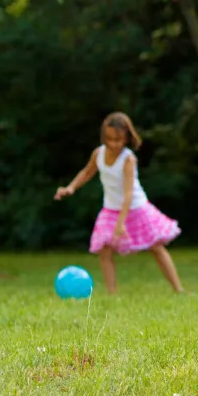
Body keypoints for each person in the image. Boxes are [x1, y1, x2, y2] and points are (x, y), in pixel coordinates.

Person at [54, 112, 184, 295]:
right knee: (105, 250)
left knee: (156, 247)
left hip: (135, 208)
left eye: (118, 140)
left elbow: (128, 192)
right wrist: (71, 188)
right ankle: (112, 293)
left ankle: (178, 289)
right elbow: (86, 172)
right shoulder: (98, 154)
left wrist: (121, 222)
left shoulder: (128, 159)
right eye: (109, 139)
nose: (113, 144)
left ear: (126, 138)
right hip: (111, 209)